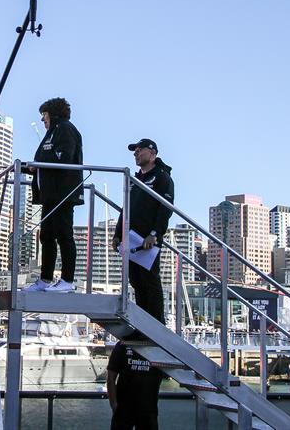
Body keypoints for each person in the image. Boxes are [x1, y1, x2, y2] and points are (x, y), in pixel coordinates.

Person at [24, 97, 84, 293]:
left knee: (64, 236)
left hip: (63, 194)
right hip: (49, 196)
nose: (43, 120)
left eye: (44, 115)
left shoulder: (65, 129)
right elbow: (46, 160)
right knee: (47, 237)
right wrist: (29, 167)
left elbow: (63, 156)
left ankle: (67, 280)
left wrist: (40, 163)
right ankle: (45, 279)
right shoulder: (51, 133)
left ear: (53, 114)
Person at [111, 139, 174, 324]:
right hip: (131, 238)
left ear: (152, 153)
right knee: (136, 281)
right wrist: (117, 233)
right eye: (134, 151)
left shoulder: (162, 177)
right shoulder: (135, 180)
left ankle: (156, 323)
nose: (136, 154)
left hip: (148, 239)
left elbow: (165, 208)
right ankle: (143, 323)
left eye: (139, 150)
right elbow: (126, 208)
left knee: (149, 281)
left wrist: (155, 233)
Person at [107, 340, 163, 429]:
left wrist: (114, 405)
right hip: (125, 409)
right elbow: (110, 378)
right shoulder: (123, 345)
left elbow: (111, 378)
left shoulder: (160, 347)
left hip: (147, 410)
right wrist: (113, 405)